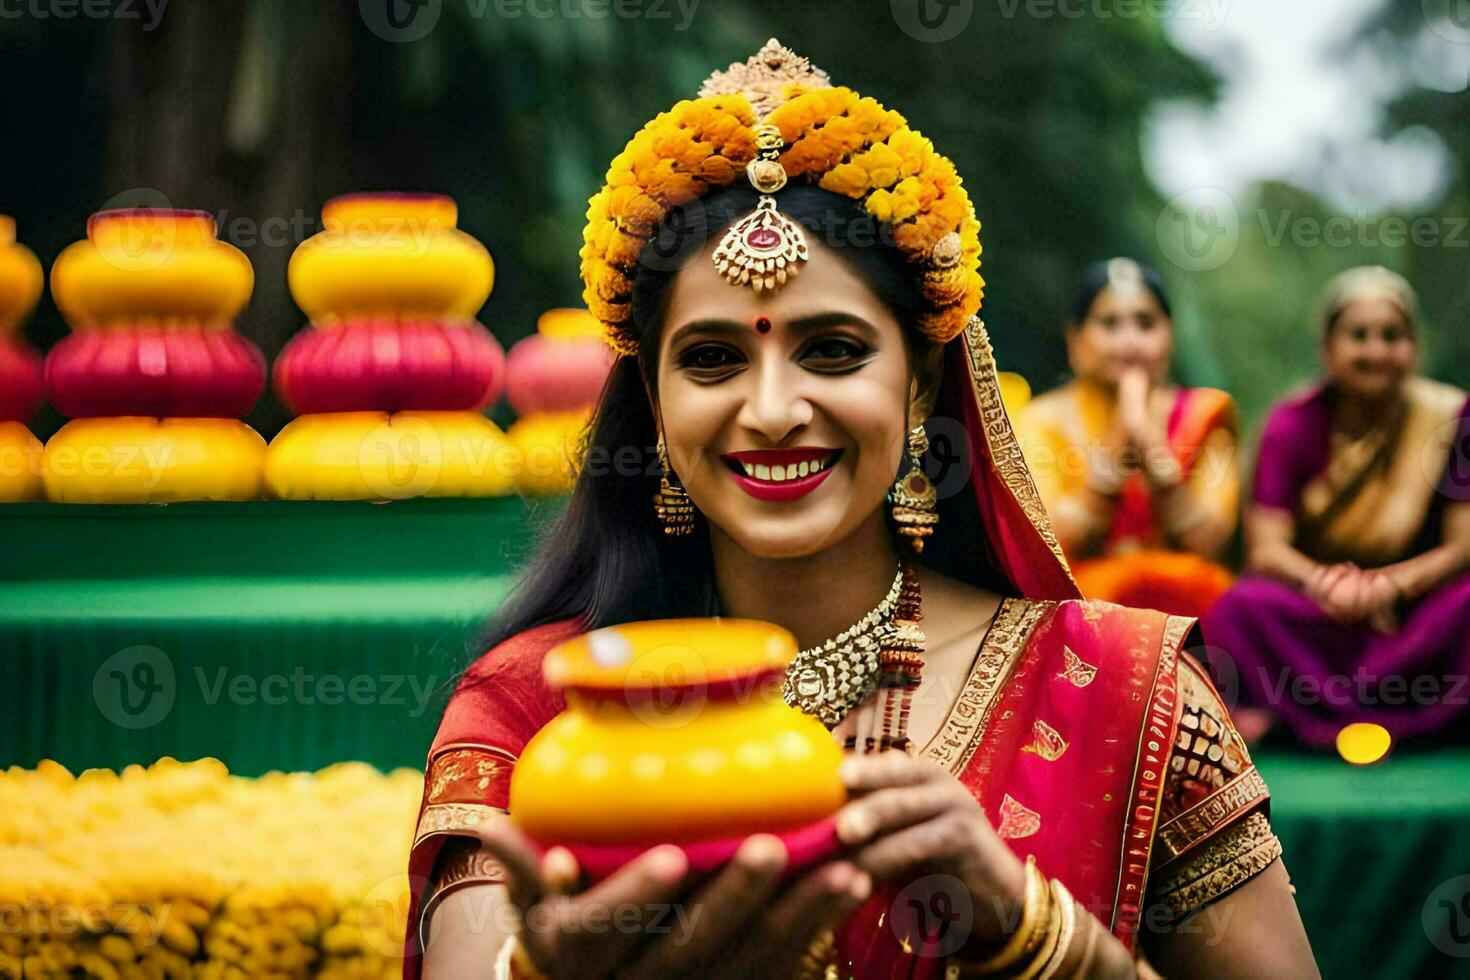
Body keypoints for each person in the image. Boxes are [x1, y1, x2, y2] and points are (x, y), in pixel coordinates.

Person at [405, 40, 1317, 979]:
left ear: (923, 385)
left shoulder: (1126, 693)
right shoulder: (531, 711)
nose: (770, 412)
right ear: (654, 400)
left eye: (834, 351)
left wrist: (1036, 938)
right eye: (712, 359)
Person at [1203, 266, 1470, 749]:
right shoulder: (1291, 422)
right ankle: (1364, 722)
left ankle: (1307, 723)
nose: (1375, 351)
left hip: (1414, 611)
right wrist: (1327, 584)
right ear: (1328, 349)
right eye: (1358, 335)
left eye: (1391, 336)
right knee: (1240, 607)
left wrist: (1390, 585)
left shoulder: (1451, 417)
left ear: (1415, 347)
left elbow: (1462, 546)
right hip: (1319, 611)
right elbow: (1267, 548)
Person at [1018, 259, 1238, 618]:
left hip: (1187, 604)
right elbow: (1047, 546)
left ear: (1170, 335)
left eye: (1146, 323)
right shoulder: (1041, 421)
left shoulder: (1204, 414)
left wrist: (1154, 452)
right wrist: (1120, 442)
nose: (1130, 341)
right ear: (1075, 339)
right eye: (1110, 323)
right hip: (1081, 606)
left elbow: (1209, 543)